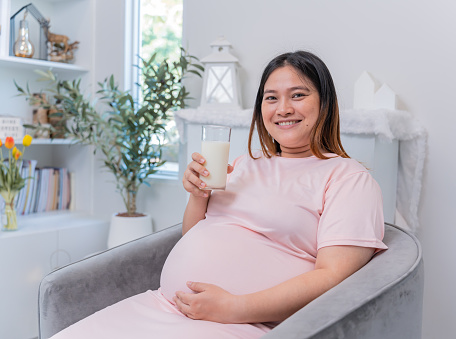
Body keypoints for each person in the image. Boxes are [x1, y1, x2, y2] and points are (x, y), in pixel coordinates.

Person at [49, 51, 387, 339]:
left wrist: (234, 307)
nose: (283, 108)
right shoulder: (242, 164)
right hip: (164, 305)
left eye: (298, 95)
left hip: (242, 324)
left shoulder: (348, 178)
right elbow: (194, 235)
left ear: (325, 103)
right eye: (271, 98)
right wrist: (198, 195)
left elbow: (333, 278)